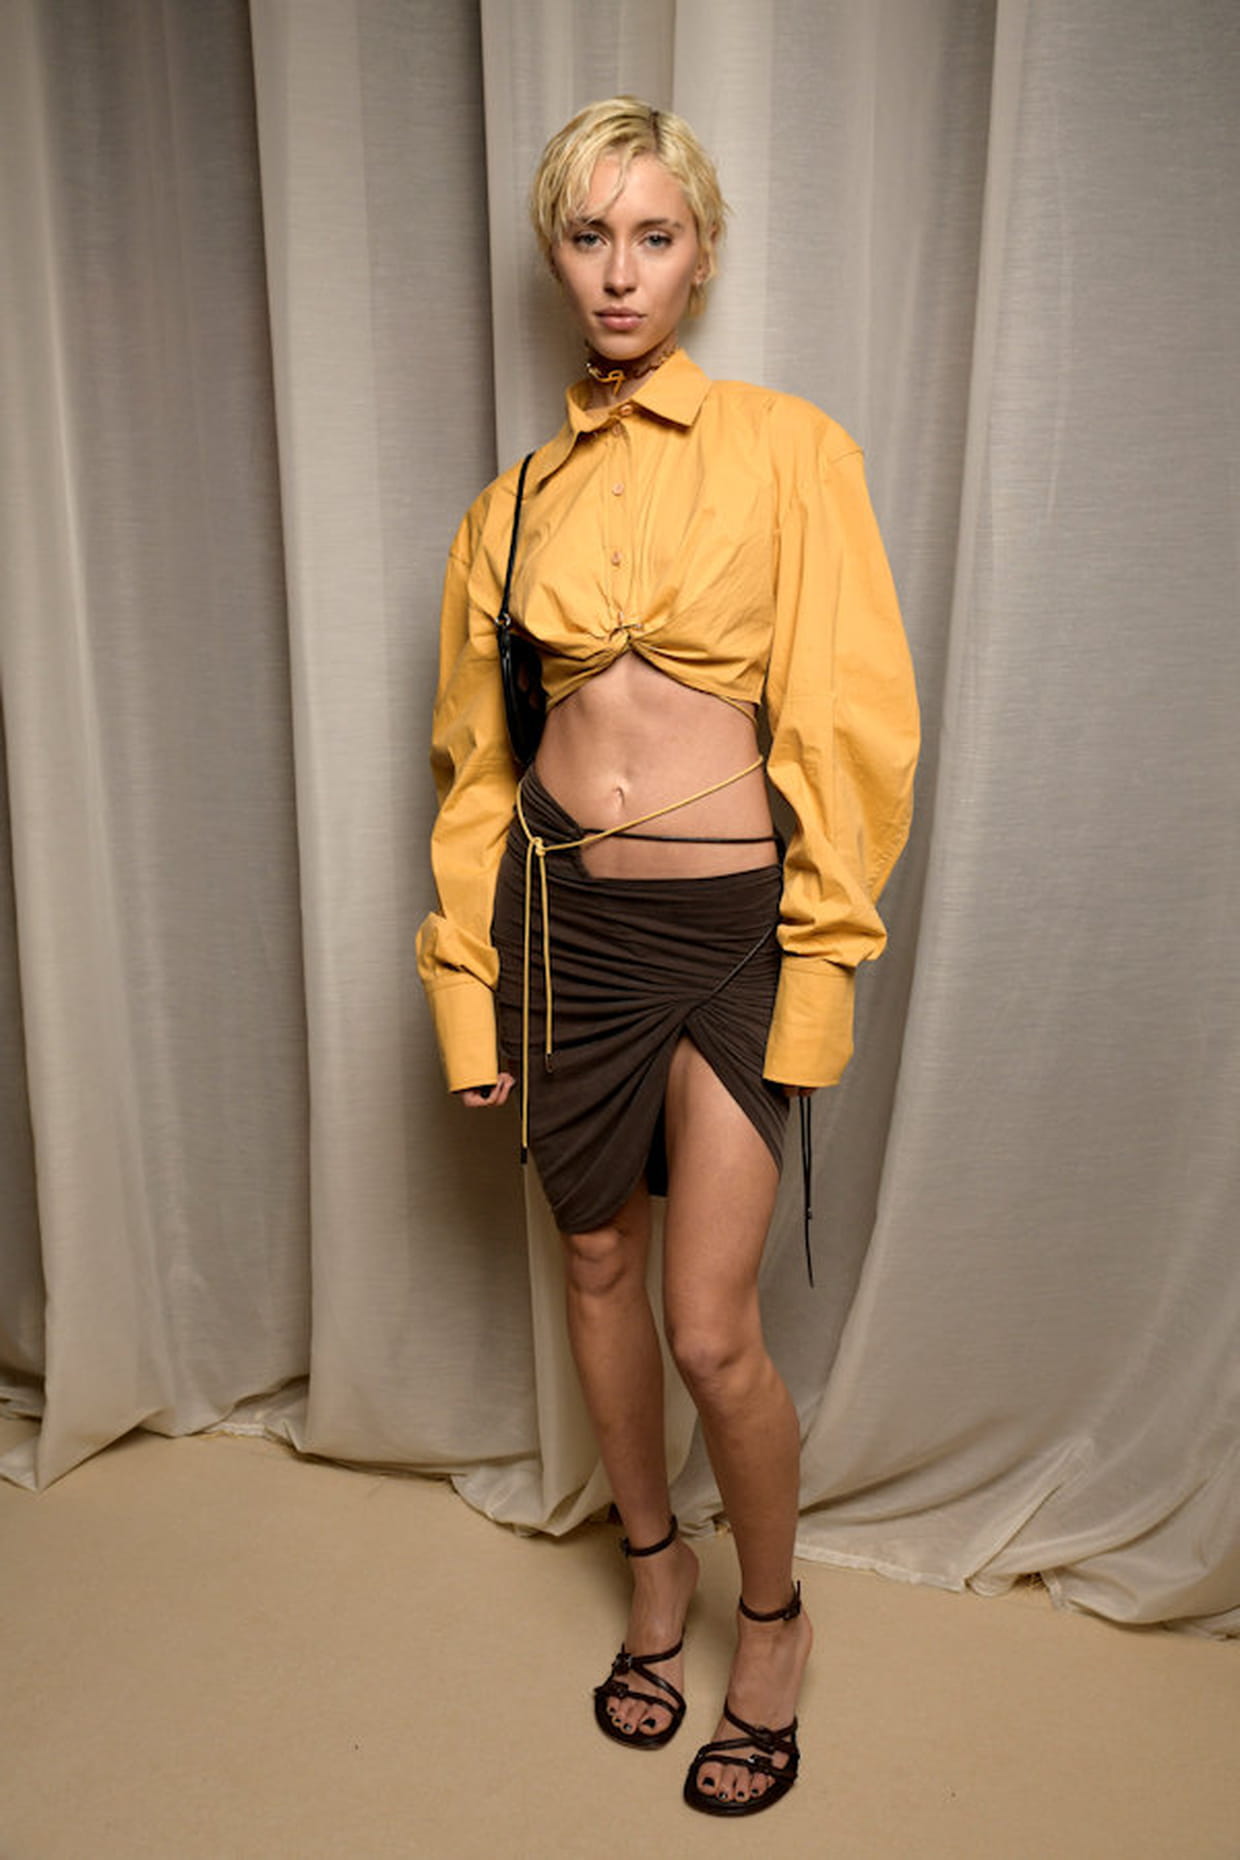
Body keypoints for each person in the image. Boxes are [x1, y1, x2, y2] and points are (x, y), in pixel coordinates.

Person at [417, 97, 918, 1817]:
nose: (619, 272)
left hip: (727, 932)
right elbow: (476, 769)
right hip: (561, 933)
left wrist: (819, 968)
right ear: (552, 258)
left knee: (712, 1327)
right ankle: (654, 1569)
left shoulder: (792, 452)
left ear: (703, 253)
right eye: (588, 236)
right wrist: (464, 988)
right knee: (595, 1269)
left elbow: (852, 728)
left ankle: (769, 1621)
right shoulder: (510, 508)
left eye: (654, 235)